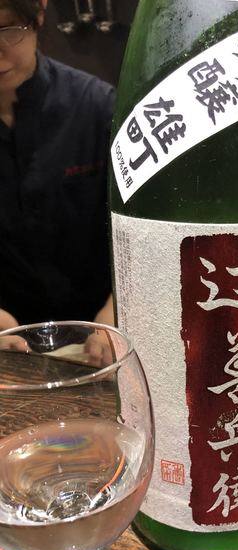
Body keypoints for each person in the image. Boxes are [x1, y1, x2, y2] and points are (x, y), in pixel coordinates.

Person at [0, 0, 114, 363]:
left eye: (6, 30)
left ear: (39, 12)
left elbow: (145, 227)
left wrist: (115, 312)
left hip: (100, 339)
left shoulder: (98, 107)